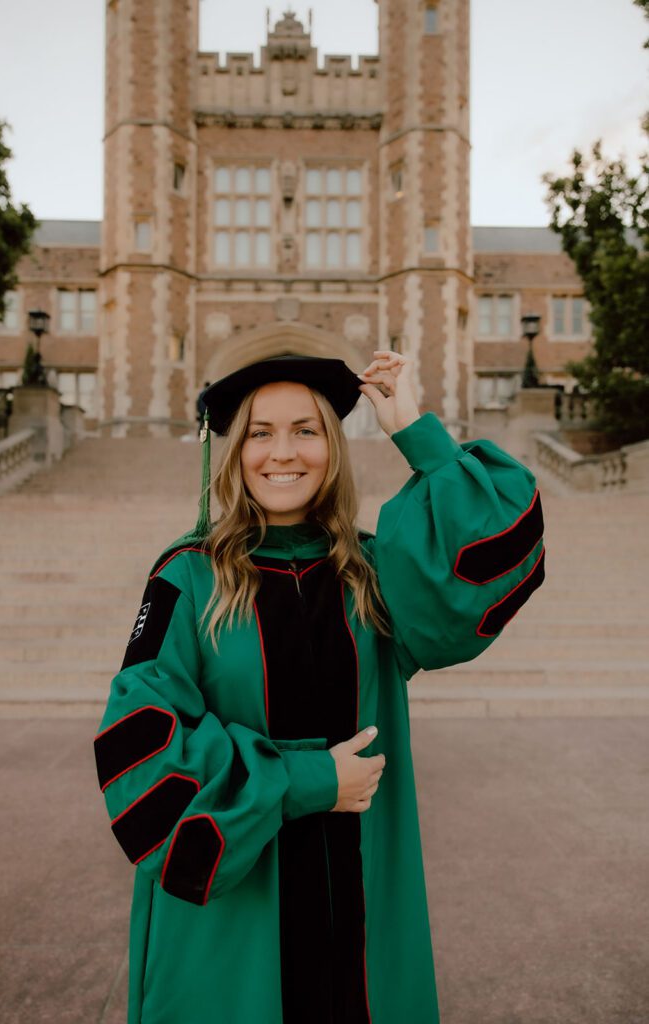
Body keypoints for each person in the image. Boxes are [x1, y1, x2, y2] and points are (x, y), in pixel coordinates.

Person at [93, 350, 545, 1024]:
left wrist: (413, 430)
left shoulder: (374, 572)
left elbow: (492, 557)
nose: (284, 452)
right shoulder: (185, 577)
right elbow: (138, 747)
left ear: (333, 447)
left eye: (306, 430)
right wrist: (309, 781)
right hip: (235, 921)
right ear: (234, 451)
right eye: (260, 432)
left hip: (361, 902)